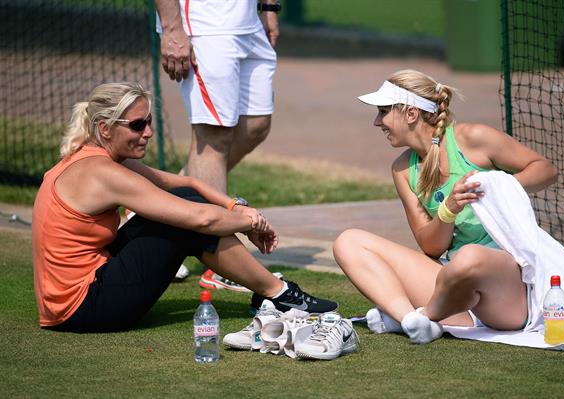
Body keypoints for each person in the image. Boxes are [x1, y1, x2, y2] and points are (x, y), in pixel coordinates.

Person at [31, 82, 337, 333]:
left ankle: (273, 292)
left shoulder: (92, 158)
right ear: (105, 129)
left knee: (186, 208)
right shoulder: (104, 173)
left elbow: (187, 183)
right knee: (184, 221)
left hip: (70, 302)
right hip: (85, 308)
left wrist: (236, 206)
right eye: (137, 125)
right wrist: (253, 223)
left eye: (148, 122)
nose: (148, 132)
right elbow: (202, 220)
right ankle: (279, 294)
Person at [333, 69, 558, 344]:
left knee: (470, 258)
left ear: (410, 114)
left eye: (383, 112)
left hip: (507, 295)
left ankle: (426, 315)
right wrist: (448, 209)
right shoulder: (402, 169)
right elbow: (431, 247)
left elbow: (545, 170)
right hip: (454, 291)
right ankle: (412, 321)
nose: (377, 122)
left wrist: (495, 187)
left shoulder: (473, 137)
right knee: (348, 241)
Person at [155, 0, 281, 288]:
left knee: (256, 125)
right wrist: (172, 27)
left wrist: (269, 7)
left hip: (248, 21)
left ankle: (154, 206)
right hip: (205, 25)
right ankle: (221, 263)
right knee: (214, 138)